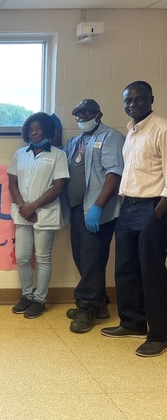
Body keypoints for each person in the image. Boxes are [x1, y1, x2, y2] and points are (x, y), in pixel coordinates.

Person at [101, 81, 167, 357]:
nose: (133, 104)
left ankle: (159, 334)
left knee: (151, 273)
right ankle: (132, 322)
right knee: (126, 269)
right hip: (127, 207)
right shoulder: (131, 131)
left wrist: (156, 215)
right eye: (128, 100)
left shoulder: (162, 128)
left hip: (153, 209)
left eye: (138, 99)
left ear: (151, 99)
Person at [62, 99, 125, 333]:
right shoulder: (75, 141)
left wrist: (98, 207)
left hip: (98, 211)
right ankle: (99, 303)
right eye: (78, 113)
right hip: (78, 209)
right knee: (82, 257)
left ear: (98, 114)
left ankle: (86, 306)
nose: (82, 117)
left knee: (91, 259)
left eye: (87, 113)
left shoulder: (111, 137)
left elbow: (114, 174)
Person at [8, 112, 69, 318]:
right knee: (22, 257)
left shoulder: (58, 155)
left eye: (38, 128)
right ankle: (26, 295)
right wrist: (23, 206)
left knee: (43, 258)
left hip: (44, 213)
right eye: (31, 129)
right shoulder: (20, 154)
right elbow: (12, 183)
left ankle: (40, 300)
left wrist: (33, 206)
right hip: (23, 213)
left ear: (47, 130)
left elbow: (59, 186)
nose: (34, 132)